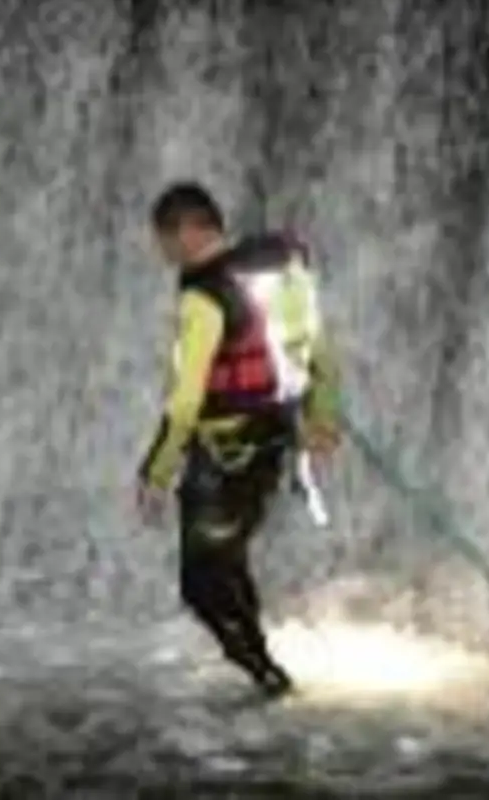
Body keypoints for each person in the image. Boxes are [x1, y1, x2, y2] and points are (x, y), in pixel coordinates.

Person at [135, 180, 343, 700]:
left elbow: (184, 401)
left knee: (200, 584)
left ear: (186, 232)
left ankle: (265, 673)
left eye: (163, 241)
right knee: (230, 561)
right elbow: (322, 353)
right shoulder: (274, 274)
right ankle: (262, 661)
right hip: (273, 445)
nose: (161, 253)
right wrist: (324, 416)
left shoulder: (203, 295)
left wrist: (155, 472)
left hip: (223, 456)